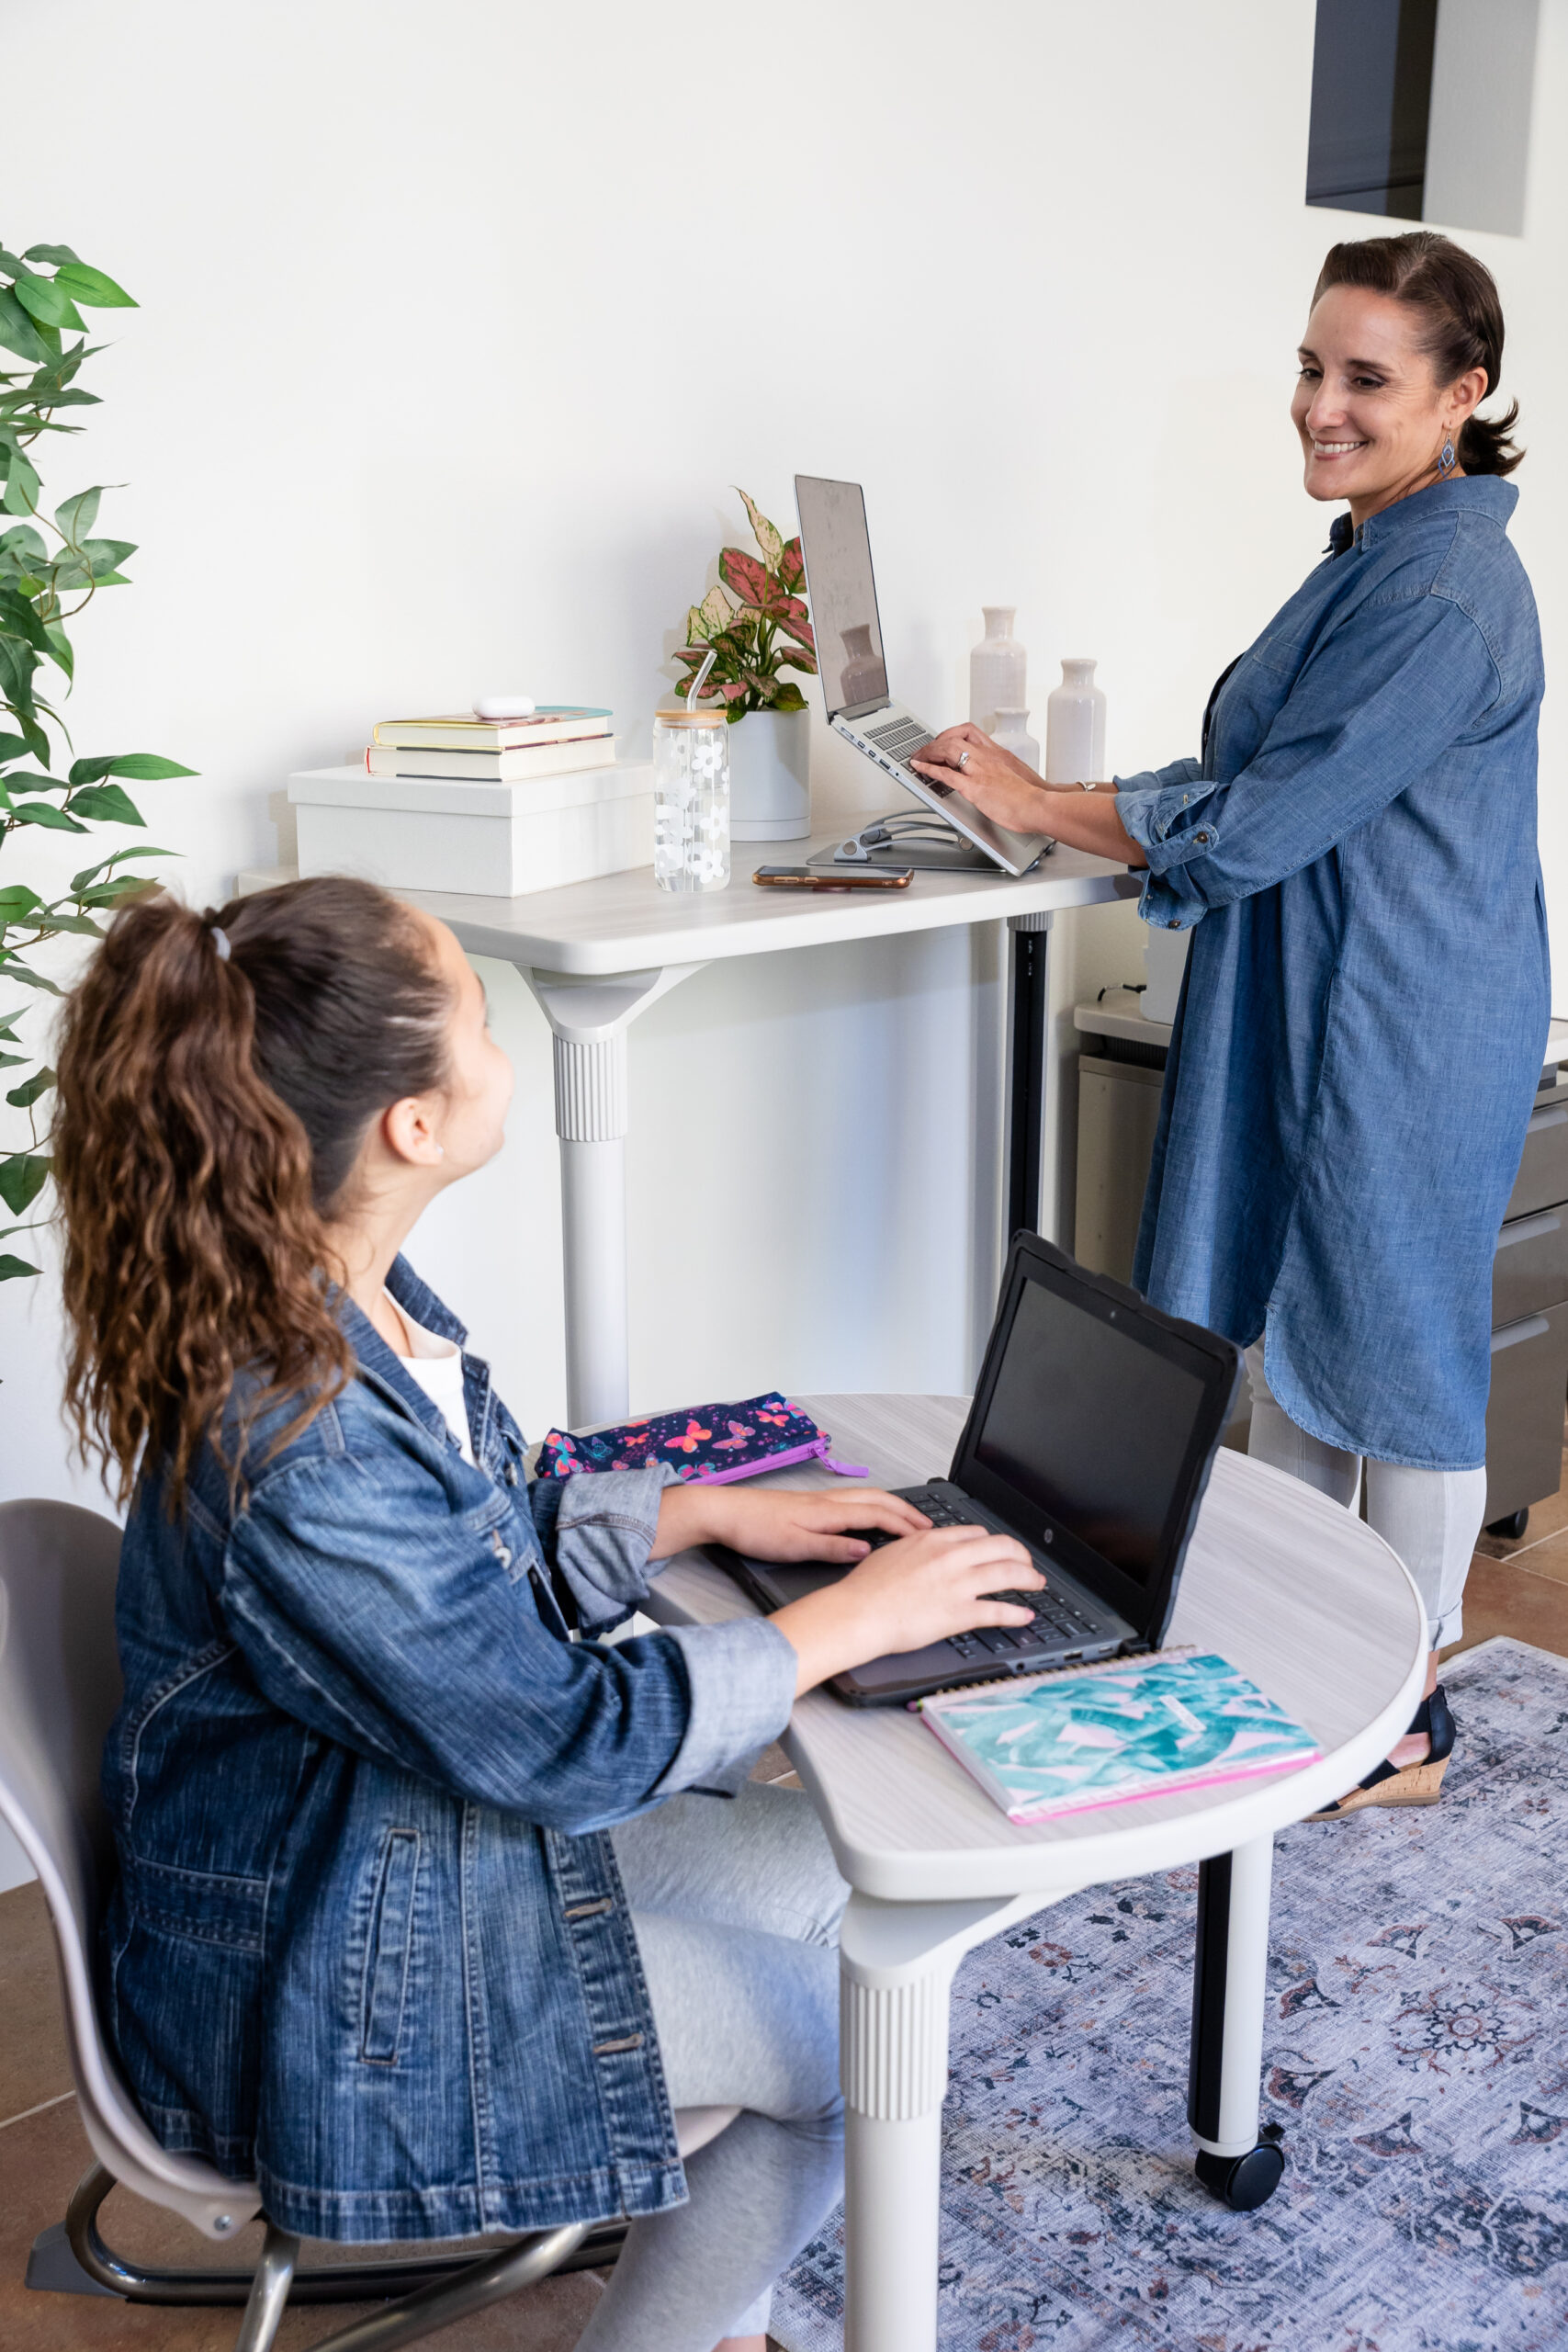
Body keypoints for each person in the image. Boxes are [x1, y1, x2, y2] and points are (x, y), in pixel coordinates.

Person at [51, 876, 1043, 2352]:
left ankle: (721, 2313)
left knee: (845, 1867)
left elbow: (478, 1529)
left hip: (382, 1839)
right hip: (317, 1981)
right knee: (855, 2052)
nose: (504, 1047)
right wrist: (844, 1624)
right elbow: (563, 1738)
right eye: (481, 1019)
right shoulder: (297, 1435)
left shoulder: (348, 1296)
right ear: (415, 1125)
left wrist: (699, 1513)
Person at [912, 230, 1545, 1818]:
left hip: (1403, 1009)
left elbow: (1264, 823)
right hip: (1323, 987)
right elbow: (1247, 786)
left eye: (1367, 380)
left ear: (1465, 396)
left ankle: (1399, 1721)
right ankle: (1307, 1661)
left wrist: (1052, 807)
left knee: (1394, 1360)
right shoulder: (1374, 548)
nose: (1320, 407)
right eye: (1313, 369)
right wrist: (1045, 803)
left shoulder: (1447, 588)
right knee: (1301, 1340)